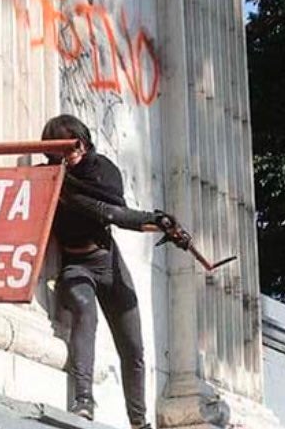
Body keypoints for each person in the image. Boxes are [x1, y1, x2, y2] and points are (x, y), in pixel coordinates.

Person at [41, 114, 189, 429]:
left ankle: (139, 422)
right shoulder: (55, 182)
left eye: (76, 143)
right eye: (65, 147)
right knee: (85, 313)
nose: (74, 151)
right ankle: (82, 402)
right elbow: (110, 213)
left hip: (109, 263)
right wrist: (154, 220)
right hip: (76, 266)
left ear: (84, 141)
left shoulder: (101, 171)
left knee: (133, 347)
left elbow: (117, 211)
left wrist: (165, 225)